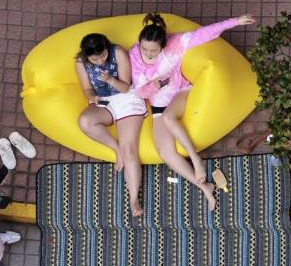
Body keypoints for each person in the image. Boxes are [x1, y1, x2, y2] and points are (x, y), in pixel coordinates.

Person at [129, 12, 256, 211]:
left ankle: (196, 158)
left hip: (180, 92)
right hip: (158, 103)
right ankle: (204, 186)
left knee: (170, 118)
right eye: (144, 48)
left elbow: (205, 34)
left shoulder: (176, 43)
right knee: (165, 153)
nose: (148, 54)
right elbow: (139, 90)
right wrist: (152, 86)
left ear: (162, 45)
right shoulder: (135, 55)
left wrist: (235, 22)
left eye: (153, 51)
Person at [75, 32, 148, 216]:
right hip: (104, 100)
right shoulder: (80, 62)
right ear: (86, 56)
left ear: (107, 48)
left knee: (130, 149)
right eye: (95, 58)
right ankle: (116, 149)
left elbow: (125, 86)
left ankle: (134, 200)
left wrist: (109, 79)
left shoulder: (118, 52)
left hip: (125, 97)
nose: (100, 61)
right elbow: (86, 90)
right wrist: (94, 98)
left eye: (103, 56)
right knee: (84, 121)